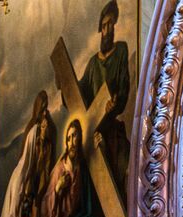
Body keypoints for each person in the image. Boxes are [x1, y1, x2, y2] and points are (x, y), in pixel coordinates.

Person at [78, 1, 131, 198]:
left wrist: (116, 102)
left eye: (111, 24)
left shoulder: (121, 51)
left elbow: (124, 86)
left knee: (123, 171)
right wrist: (64, 84)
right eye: (104, 25)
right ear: (100, 29)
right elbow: (80, 91)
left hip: (112, 128)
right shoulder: (93, 64)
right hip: (96, 131)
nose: (107, 30)